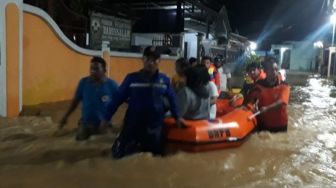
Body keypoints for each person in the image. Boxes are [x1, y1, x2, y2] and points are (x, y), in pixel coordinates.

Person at [106, 46, 182, 158]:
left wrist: (178, 117)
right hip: (133, 125)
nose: (150, 63)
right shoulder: (131, 79)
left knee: (156, 157)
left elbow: (172, 99)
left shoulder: (164, 80)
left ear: (159, 61)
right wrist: (106, 118)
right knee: (119, 155)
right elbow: (117, 99)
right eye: (148, 59)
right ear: (143, 60)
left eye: (154, 60)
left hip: (154, 126)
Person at [59, 57, 119, 140]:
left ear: (104, 70)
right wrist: (65, 116)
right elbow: (75, 102)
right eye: (91, 68)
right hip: (85, 124)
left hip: (104, 124)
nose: (93, 71)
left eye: (96, 69)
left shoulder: (112, 85)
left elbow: (122, 100)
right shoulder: (83, 83)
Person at [244, 58, 290, 132]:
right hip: (264, 124)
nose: (274, 72)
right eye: (272, 69)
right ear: (265, 71)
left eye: (276, 69)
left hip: (280, 125)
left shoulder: (284, 85)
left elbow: (282, 102)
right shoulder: (259, 85)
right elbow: (249, 99)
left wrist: (267, 108)